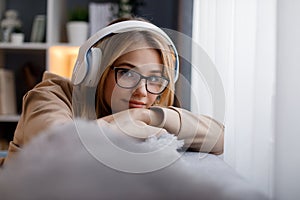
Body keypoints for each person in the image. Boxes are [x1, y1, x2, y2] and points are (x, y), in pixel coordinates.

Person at [0, 17, 224, 167]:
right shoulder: (51, 94)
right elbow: (60, 145)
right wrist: (125, 123)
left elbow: (220, 138)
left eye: (155, 78)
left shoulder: (147, 113)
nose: (142, 92)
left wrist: (147, 116)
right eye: (127, 73)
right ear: (96, 71)